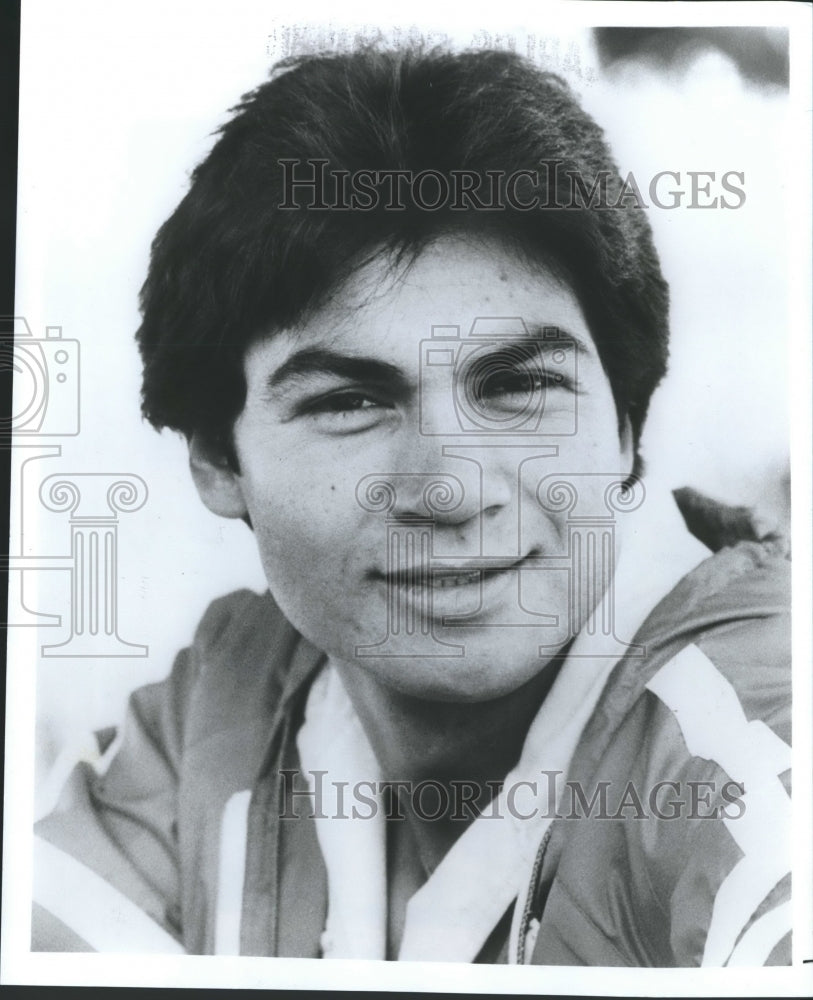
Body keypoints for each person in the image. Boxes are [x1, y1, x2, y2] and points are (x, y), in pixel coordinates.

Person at [32, 45, 791, 965]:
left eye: (519, 386)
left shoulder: (756, 729)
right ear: (215, 460)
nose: (452, 486)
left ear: (626, 428)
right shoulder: (224, 710)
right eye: (349, 402)